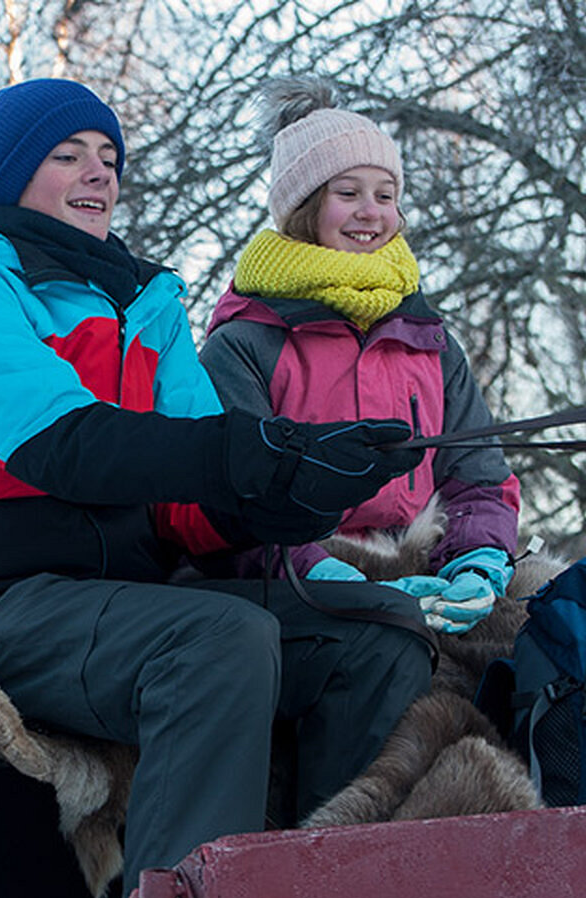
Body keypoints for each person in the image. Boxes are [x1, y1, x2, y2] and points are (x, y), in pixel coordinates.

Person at [0, 78, 436, 885]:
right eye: (68, 156)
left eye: (109, 156)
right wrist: (257, 450)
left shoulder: (146, 303)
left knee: (381, 635)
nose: (100, 172)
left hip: (123, 596)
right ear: (8, 179)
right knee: (216, 641)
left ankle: (316, 894)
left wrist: (303, 484)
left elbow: (190, 504)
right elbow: (66, 446)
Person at [199, 77, 521, 634]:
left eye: (386, 195)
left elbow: (479, 476)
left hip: (429, 562)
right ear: (304, 209)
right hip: (301, 576)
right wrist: (332, 577)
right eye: (347, 193)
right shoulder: (247, 342)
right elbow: (231, 506)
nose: (371, 212)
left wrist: (477, 559)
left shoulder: (427, 338)